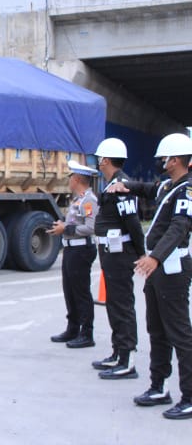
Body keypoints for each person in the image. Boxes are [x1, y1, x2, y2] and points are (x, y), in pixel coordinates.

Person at [107, 133, 192, 420]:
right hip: (158, 272)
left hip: (171, 269)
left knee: (179, 333)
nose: (160, 163)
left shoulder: (187, 191)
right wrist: (125, 186)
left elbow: (179, 227)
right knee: (156, 330)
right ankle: (159, 386)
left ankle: (189, 397)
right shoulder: (169, 186)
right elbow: (147, 189)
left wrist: (155, 257)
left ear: (175, 160)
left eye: (163, 159)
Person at [92, 138, 145, 379]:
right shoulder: (112, 184)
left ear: (105, 160)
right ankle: (118, 352)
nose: (97, 163)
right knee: (114, 304)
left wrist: (141, 253)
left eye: (98, 159)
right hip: (110, 253)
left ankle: (127, 360)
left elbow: (133, 223)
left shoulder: (121, 186)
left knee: (122, 305)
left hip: (120, 255)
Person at [48, 160, 99, 348]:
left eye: (71, 176)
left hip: (81, 250)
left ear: (77, 179)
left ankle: (87, 333)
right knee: (69, 290)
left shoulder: (88, 200)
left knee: (81, 292)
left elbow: (90, 227)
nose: (69, 179)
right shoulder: (78, 199)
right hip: (71, 249)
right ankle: (72, 328)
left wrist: (65, 229)